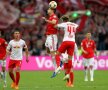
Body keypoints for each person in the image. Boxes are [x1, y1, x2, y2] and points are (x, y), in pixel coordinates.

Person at [51, 16, 78, 87]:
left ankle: (58, 68)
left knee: (57, 54)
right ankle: (70, 82)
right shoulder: (75, 25)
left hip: (66, 41)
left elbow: (55, 26)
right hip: (72, 42)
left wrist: (56, 24)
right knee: (70, 59)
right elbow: (76, 26)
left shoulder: (65, 24)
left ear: (64, 20)